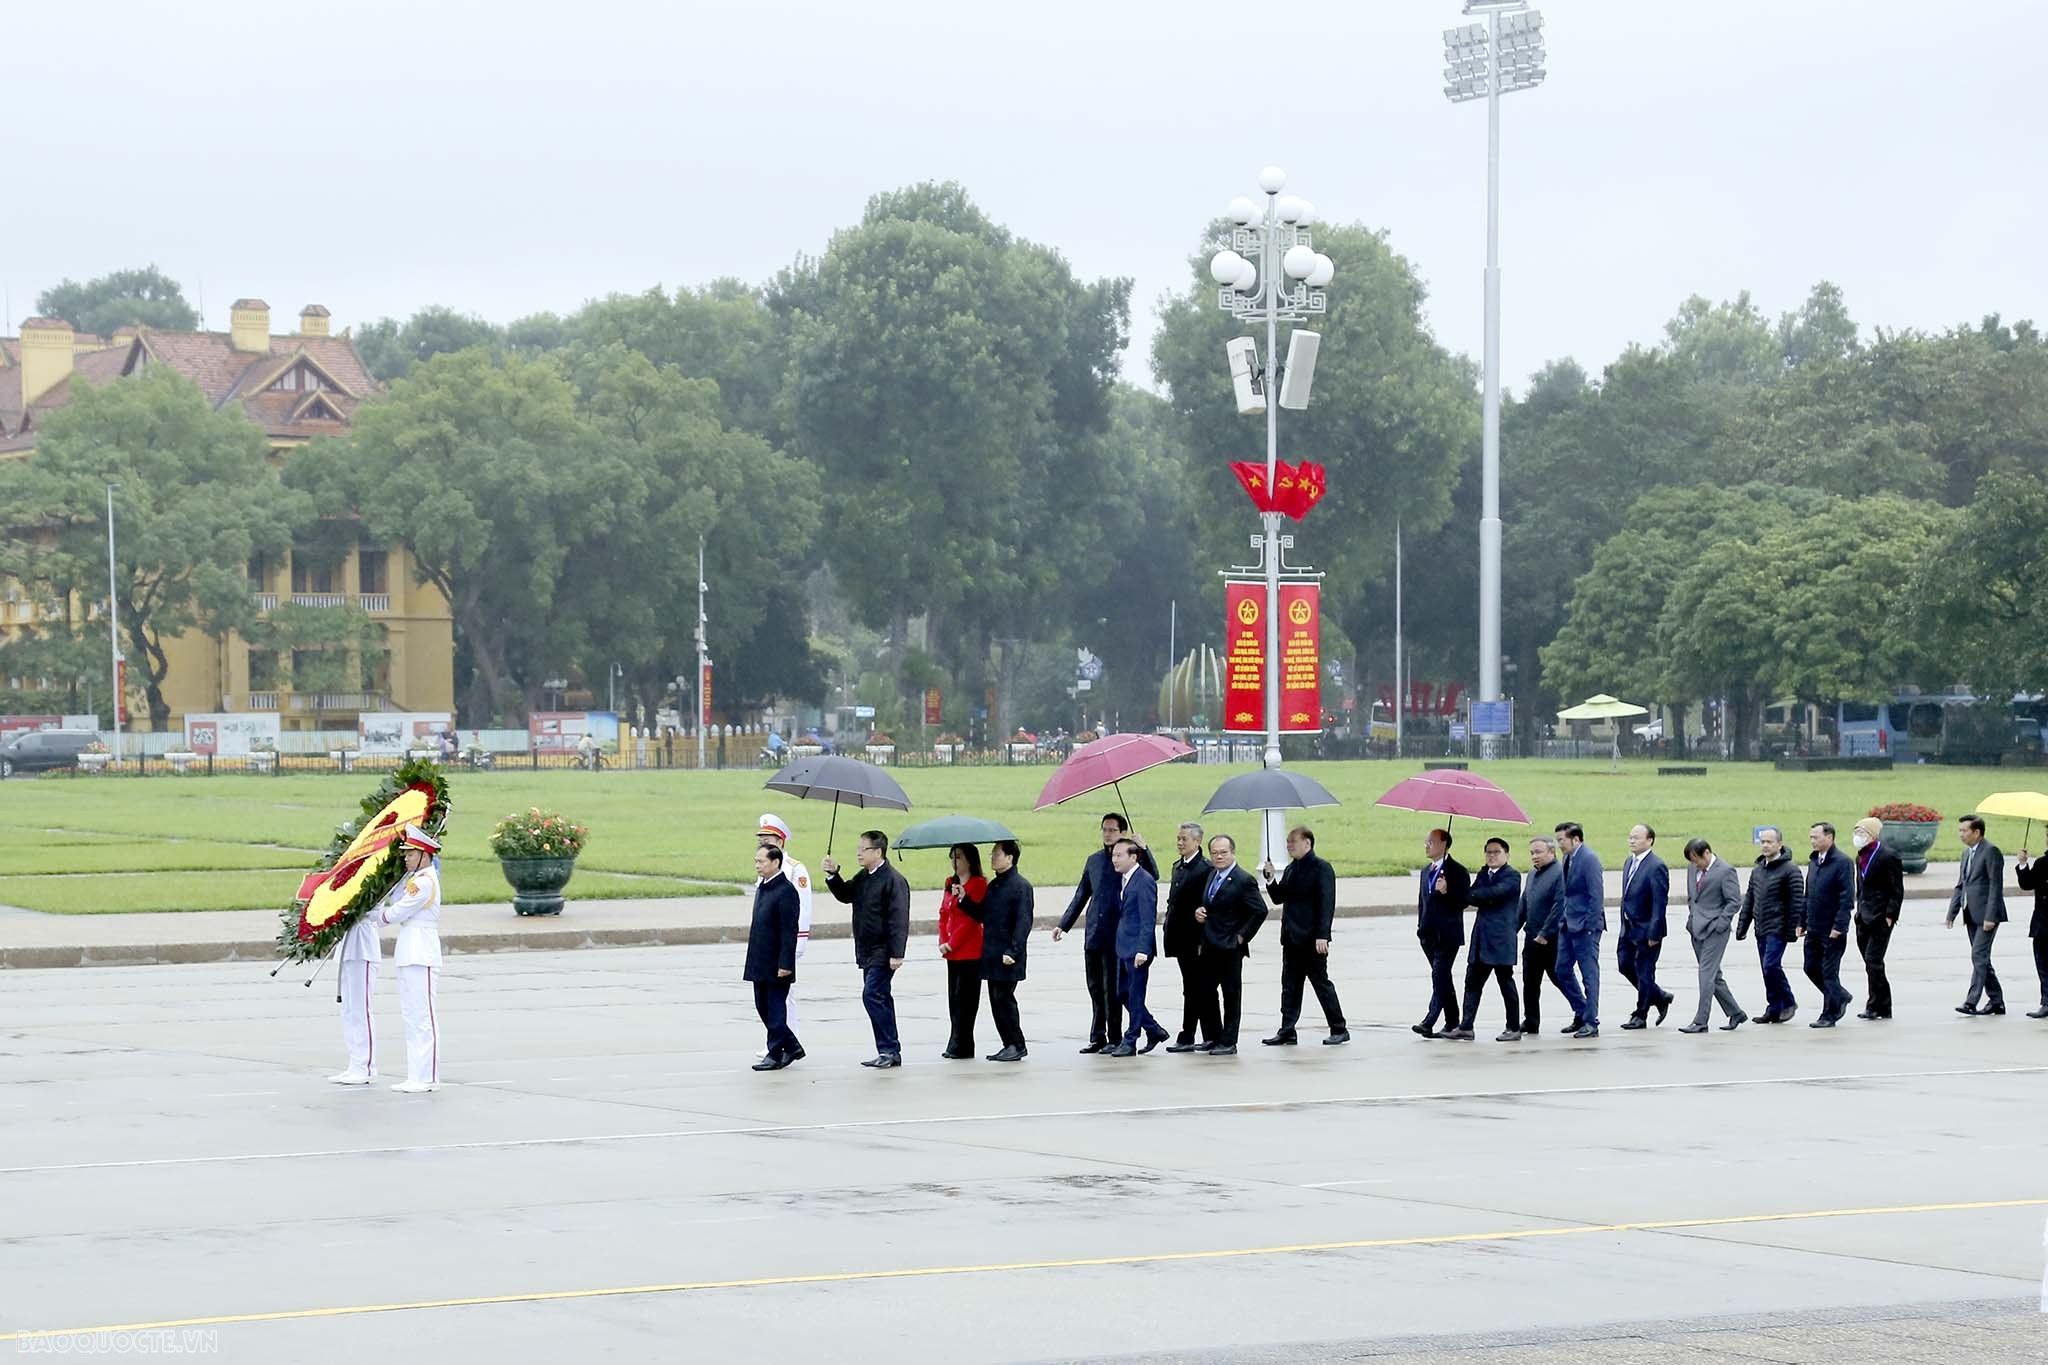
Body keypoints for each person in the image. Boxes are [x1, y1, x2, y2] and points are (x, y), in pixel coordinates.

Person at [1053, 812, 1159, 1053]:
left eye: (1112, 830)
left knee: (1113, 990)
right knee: (1094, 987)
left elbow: (1153, 875)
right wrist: (1064, 924)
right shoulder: (1094, 860)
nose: (1108, 834)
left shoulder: (1129, 860)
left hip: (1116, 935)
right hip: (1094, 932)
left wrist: (1144, 848)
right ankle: (1098, 1035)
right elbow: (1082, 894)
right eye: (1105, 829)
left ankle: (1115, 1036)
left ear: (1122, 833)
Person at [823, 830, 912, 1067]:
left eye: (864, 849)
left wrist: (897, 953)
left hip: (884, 950)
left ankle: (889, 1050)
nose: (859, 853)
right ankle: (889, 1050)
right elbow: (846, 895)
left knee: (872, 994)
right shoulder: (864, 876)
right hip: (867, 949)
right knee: (879, 996)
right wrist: (833, 875)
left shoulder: (893, 880)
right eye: (858, 848)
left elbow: (899, 918)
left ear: (878, 851)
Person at [1261, 826, 1349, 1046]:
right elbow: (1279, 898)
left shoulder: (1321, 868)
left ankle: (1339, 1027)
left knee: (1321, 984)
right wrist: (1270, 880)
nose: (1289, 845)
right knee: (1289, 986)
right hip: (1291, 937)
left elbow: (1326, 904)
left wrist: (1323, 935)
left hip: (1311, 939)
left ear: (1307, 843)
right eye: (1288, 842)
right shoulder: (1292, 869)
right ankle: (1287, 1029)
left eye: (1293, 841)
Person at [375, 826, 444, 1093]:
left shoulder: (425, 882)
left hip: (422, 952)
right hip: (409, 950)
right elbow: (396, 901)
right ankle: (416, 1074)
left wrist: (376, 916)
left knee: (423, 1016)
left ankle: (427, 1077)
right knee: (412, 1015)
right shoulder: (413, 879)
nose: (405, 858)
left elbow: (397, 912)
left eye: (410, 853)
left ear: (424, 855)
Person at [1191, 834, 1267, 1055]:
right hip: (1209, 945)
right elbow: (1209, 904)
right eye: (1215, 853)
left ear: (1232, 852)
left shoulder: (1243, 879)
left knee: (1231, 995)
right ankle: (1214, 1035)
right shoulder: (1212, 876)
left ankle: (1229, 1040)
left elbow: (1259, 910)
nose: (1219, 856)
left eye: (1223, 852)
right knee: (1205, 992)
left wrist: (1242, 937)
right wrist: (1199, 912)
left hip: (1229, 947)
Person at [1448, 836, 1522, 1042]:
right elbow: (1470, 896)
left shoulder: (1512, 876)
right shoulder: (1483, 873)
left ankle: (1513, 1026)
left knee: (1505, 982)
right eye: (1488, 852)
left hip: (1501, 940)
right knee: (1472, 983)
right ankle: (1466, 1026)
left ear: (1506, 854)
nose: (1491, 856)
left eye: (1496, 852)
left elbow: (1493, 894)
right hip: (1481, 938)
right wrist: (1475, 895)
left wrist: (1479, 896)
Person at [755, 814, 814, 1052]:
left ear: (780, 842)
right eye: (761, 840)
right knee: (772, 996)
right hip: (769, 944)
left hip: (787, 942)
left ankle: (787, 1040)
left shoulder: (794, 870)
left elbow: (803, 908)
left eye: (767, 840)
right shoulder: (765, 867)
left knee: (782, 995)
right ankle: (782, 1040)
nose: (762, 844)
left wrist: (798, 942)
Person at [1106, 838, 1169, 1056]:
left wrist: (1144, 949)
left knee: (1135, 995)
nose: (1115, 859)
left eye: (1119, 855)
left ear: (1134, 857)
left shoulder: (1144, 880)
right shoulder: (1122, 879)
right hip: (1123, 946)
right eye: (1114, 855)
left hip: (1138, 950)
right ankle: (1153, 1029)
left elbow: (1147, 917)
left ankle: (1131, 1039)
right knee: (1122, 993)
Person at [1678, 837, 1747, 1034]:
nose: (1694, 864)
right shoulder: (1692, 869)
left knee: (1705, 975)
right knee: (1714, 976)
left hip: (1715, 930)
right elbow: (1693, 896)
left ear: (1707, 853)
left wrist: (1720, 924)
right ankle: (1736, 1012)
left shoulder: (1725, 871)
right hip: (1696, 928)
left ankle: (1701, 1020)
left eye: (1696, 860)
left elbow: (1734, 901)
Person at [1737, 827, 1805, 1023]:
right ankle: (1773, 1007)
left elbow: (1797, 902)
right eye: (1763, 842)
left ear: (1779, 844)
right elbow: (1750, 898)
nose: (1765, 845)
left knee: (1771, 965)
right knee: (1766, 969)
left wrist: (1794, 928)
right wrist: (1743, 925)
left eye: (1769, 842)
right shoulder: (1758, 870)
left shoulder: (1790, 869)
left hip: (1779, 927)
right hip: (1762, 926)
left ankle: (1788, 1001)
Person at [745, 843, 802, 1071]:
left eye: (762, 861)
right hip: (760, 959)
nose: (757, 865)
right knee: (762, 1006)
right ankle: (792, 1045)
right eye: (756, 861)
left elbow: (789, 931)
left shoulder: (786, 891)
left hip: (777, 963)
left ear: (775, 862)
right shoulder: (764, 887)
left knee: (776, 1008)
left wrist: (785, 963)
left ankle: (775, 1052)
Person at [1946, 814, 2008, 1016]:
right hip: (1970, 913)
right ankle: (1997, 1001)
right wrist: (1952, 913)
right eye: (1960, 830)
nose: (1961, 834)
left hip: (1987, 915)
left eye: (1964, 831)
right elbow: (1961, 884)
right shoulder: (1967, 853)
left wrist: (1991, 916)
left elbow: (1995, 887)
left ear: (1977, 832)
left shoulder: (1991, 851)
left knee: (1978, 956)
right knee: (1982, 959)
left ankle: (1971, 1001)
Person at [979, 839, 1034, 1060]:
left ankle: (1017, 1044)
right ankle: (1008, 1043)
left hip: (1008, 955)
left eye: (997, 854)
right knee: (996, 1000)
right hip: (992, 953)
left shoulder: (1021, 886)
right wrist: (963, 898)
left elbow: (1023, 922)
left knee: (1004, 999)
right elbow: (982, 914)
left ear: (1010, 858)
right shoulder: (994, 885)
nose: (993, 858)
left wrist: (1013, 951)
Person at [1413, 828, 1469, 1038]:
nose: (1426, 845)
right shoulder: (1426, 871)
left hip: (1447, 935)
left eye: (1431, 842)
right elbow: (1422, 903)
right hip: (1428, 934)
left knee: (1439, 975)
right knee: (1443, 979)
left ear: (1444, 845)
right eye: (1426, 841)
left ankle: (1429, 1020)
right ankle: (1453, 1021)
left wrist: (1448, 891)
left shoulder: (1457, 871)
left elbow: (1464, 901)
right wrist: (1420, 928)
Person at [1616, 823, 1673, 1030]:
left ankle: (1640, 1014)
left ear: (1649, 840)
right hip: (1628, 927)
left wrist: (1654, 931)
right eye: (1630, 837)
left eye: (1637, 837)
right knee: (1624, 965)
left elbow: (1660, 902)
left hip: (1647, 929)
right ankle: (1659, 996)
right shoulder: (1628, 862)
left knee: (1645, 972)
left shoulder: (1656, 865)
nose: (1632, 840)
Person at [1162, 822, 1213, 1051]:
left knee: (1200, 987)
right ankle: (1191, 1034)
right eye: (1178, 839)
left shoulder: (1205, 868)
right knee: (1190, 987)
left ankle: (1202, 1034)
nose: (1180, 843)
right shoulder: (1178, 867)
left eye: (1185, 839)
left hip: (1196, 939)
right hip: (1180, 937)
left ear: (1197, 841)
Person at [328, 879, 384, 1086]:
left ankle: (366, 1066)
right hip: (348, 945)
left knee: (361, 1009)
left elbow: (370, 906)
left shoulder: (375, 877)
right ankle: (355, 1063)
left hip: (363, 944)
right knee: (349, 1009)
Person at [1553, 822, 1604, 1039]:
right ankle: (1582, 1010)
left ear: (1575, 839)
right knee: (1561, 969)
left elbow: (1596, 895)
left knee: (1589, 975)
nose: (1559, 845)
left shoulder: (1589, 859)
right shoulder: (1567, 858)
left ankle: (1591, 1021)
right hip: (1568, 923)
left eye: (1562, 840)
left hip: (1585, 926)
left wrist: (1591, 926)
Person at [1803, 822, 1856, 1027]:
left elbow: (1846, 899)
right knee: (1810, 967)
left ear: (1830, 837)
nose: (1812, 841)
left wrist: (1839, 927)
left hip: (1832, 929)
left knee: (1829, 971)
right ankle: (1840, 995)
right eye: (1811, 837)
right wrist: (1802, 921)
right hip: (1814, 927)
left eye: (1816, 837)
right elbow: (1809, 894)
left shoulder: (1842, 862)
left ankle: (1829, 1014)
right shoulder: (1814, 861)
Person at [937, 843, 988, 1059]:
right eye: (952, 857)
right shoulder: (951, 883)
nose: (955, 862)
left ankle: (964, 1043)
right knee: (953, 998)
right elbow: (944, 914)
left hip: (969, 951)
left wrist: (954, 942)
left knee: (966, 1000)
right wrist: (943, 940)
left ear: (969, 860)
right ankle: (955, 1041)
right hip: (951, 951)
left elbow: (971, 921)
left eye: (958, 857)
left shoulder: (978, 884)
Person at [1851, 816, 1904, 1021]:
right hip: (1863, 916)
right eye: (1856, 832)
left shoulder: (1887, 855)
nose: (1858, 837)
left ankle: (1877, 1004)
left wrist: (1891, 914)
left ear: (1872, 835)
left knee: (1874, 960)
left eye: (1862, 833)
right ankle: (1880, 1004)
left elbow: (1896, 888)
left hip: (1881, 917)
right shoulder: (1860, 856)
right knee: (1870, 963)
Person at [1518, 835, 1568, 1037]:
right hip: (1531, 937)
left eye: (1538, 852)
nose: (1534, 856)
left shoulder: (1559, 874)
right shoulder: (1532, 875)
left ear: (1551, 852)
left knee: (1560, 978)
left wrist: (1545, 933)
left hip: (1551, 939)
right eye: (1532, 853)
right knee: (1530, 982)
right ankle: (1531, 1021)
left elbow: (1559, 906)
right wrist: (1512, 928)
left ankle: (1583, 1012)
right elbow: (1524, 904)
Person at [2014, 842, 2048, 1019]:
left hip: (2043, 923)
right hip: (2043, 923)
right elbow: (2027, 884)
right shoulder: (2043, 863)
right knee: (2043, 965)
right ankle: (2046, 1002)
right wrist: (2022, 864)